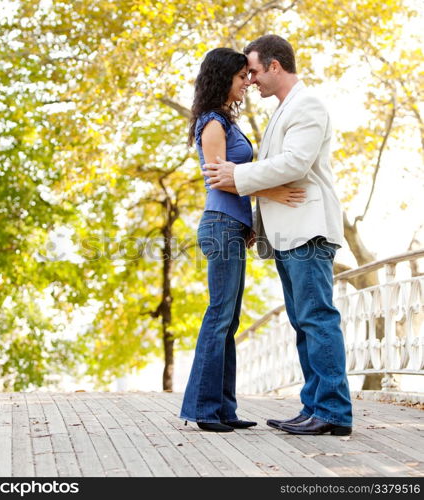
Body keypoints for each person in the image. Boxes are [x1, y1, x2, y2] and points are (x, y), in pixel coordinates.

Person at [202, 35, 353, 436]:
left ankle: (333, 411)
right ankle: (314, 407)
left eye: (252, 70)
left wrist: (239, 176)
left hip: (309, 231)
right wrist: (258, 225)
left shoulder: (308, 105)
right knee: (304, 323)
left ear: (274, 65)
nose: (249, 80)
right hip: (287, 234)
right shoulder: (282, 111)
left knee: (317, 320)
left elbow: (295, 163)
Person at [179, 47, 306, 432]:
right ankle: (203, 409)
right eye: (240, 78)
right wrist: (273, 194)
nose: (246, 84)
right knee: (218, 316)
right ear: (223, 79)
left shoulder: (225, 121)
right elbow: (221, 179)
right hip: (219, 225)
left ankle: (224, 410)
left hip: (231, 227)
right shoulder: (212, 123)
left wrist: (248, 221)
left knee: (228, 319)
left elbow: (239, 177)